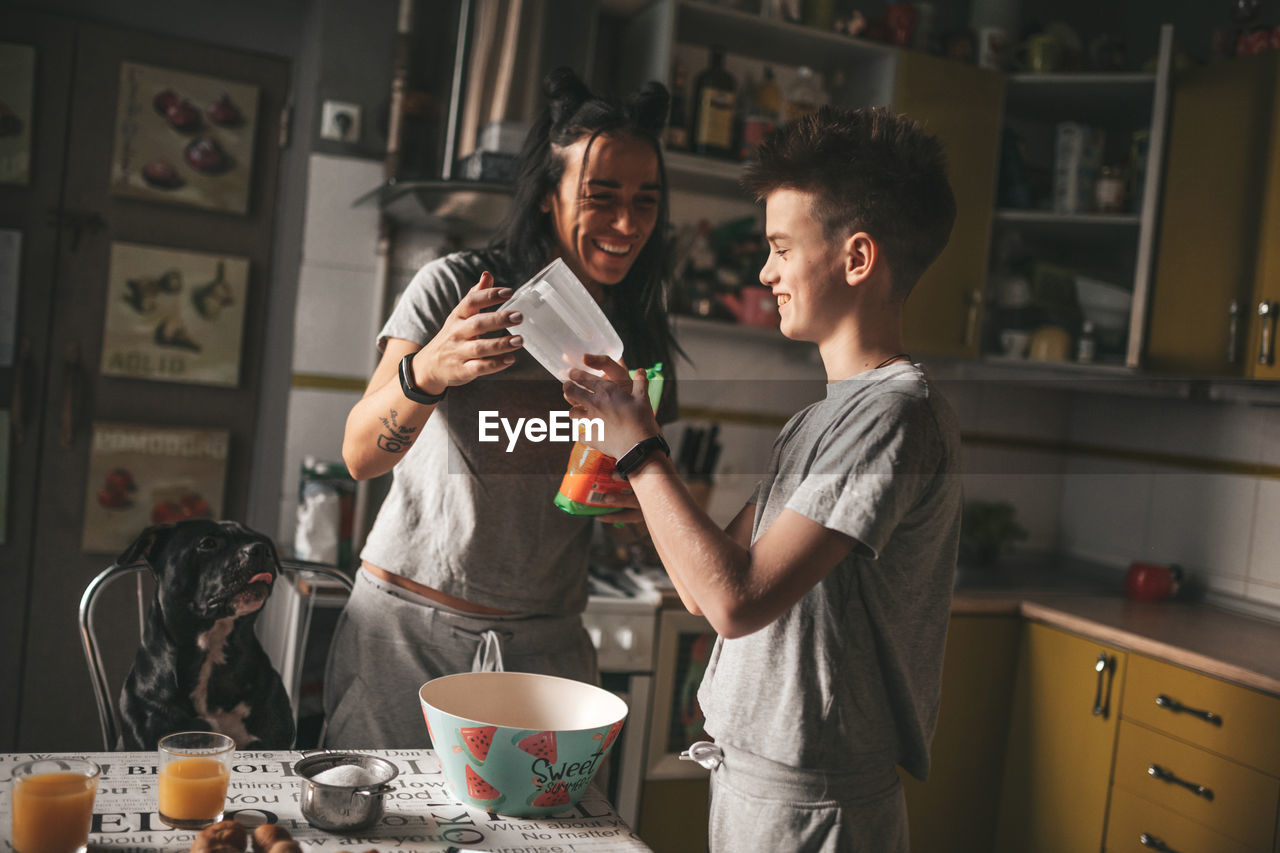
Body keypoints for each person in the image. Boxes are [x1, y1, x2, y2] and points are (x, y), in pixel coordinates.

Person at [562, 105, 962, 852]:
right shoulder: (819, 419)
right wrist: (627, 458)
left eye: (781, 247)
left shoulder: (897, 416)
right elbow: (704, 584)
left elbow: (735, 601)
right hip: (761, 786)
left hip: (821, 808)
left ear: (857, 258)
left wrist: (641, 447)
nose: (765, 271)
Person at [322, 67, 678, 749]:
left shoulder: (637, 334)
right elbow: (359, 454)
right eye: (601, 196)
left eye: (646, 201)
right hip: (408, 634)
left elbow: (627, 498)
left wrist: (636, 503)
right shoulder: (460, 288)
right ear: (548, 194)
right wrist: (429, 369)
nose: (627, 223)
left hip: (547, 649)